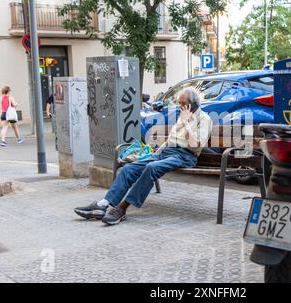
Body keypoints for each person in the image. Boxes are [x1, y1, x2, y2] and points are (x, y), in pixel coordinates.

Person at [74, 88, 213, 225]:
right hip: (166, 153)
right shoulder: (183, 115)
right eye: (180, 103)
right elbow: (170, 139)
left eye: (184, 103)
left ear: (193, 104)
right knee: (129, 169)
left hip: (184, 156)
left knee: (151, 168)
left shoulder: (204, 119)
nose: (181, 106)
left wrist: (186, 124)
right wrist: (156, 153)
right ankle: (102, 205)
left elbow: (196, 146)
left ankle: (121, 209)